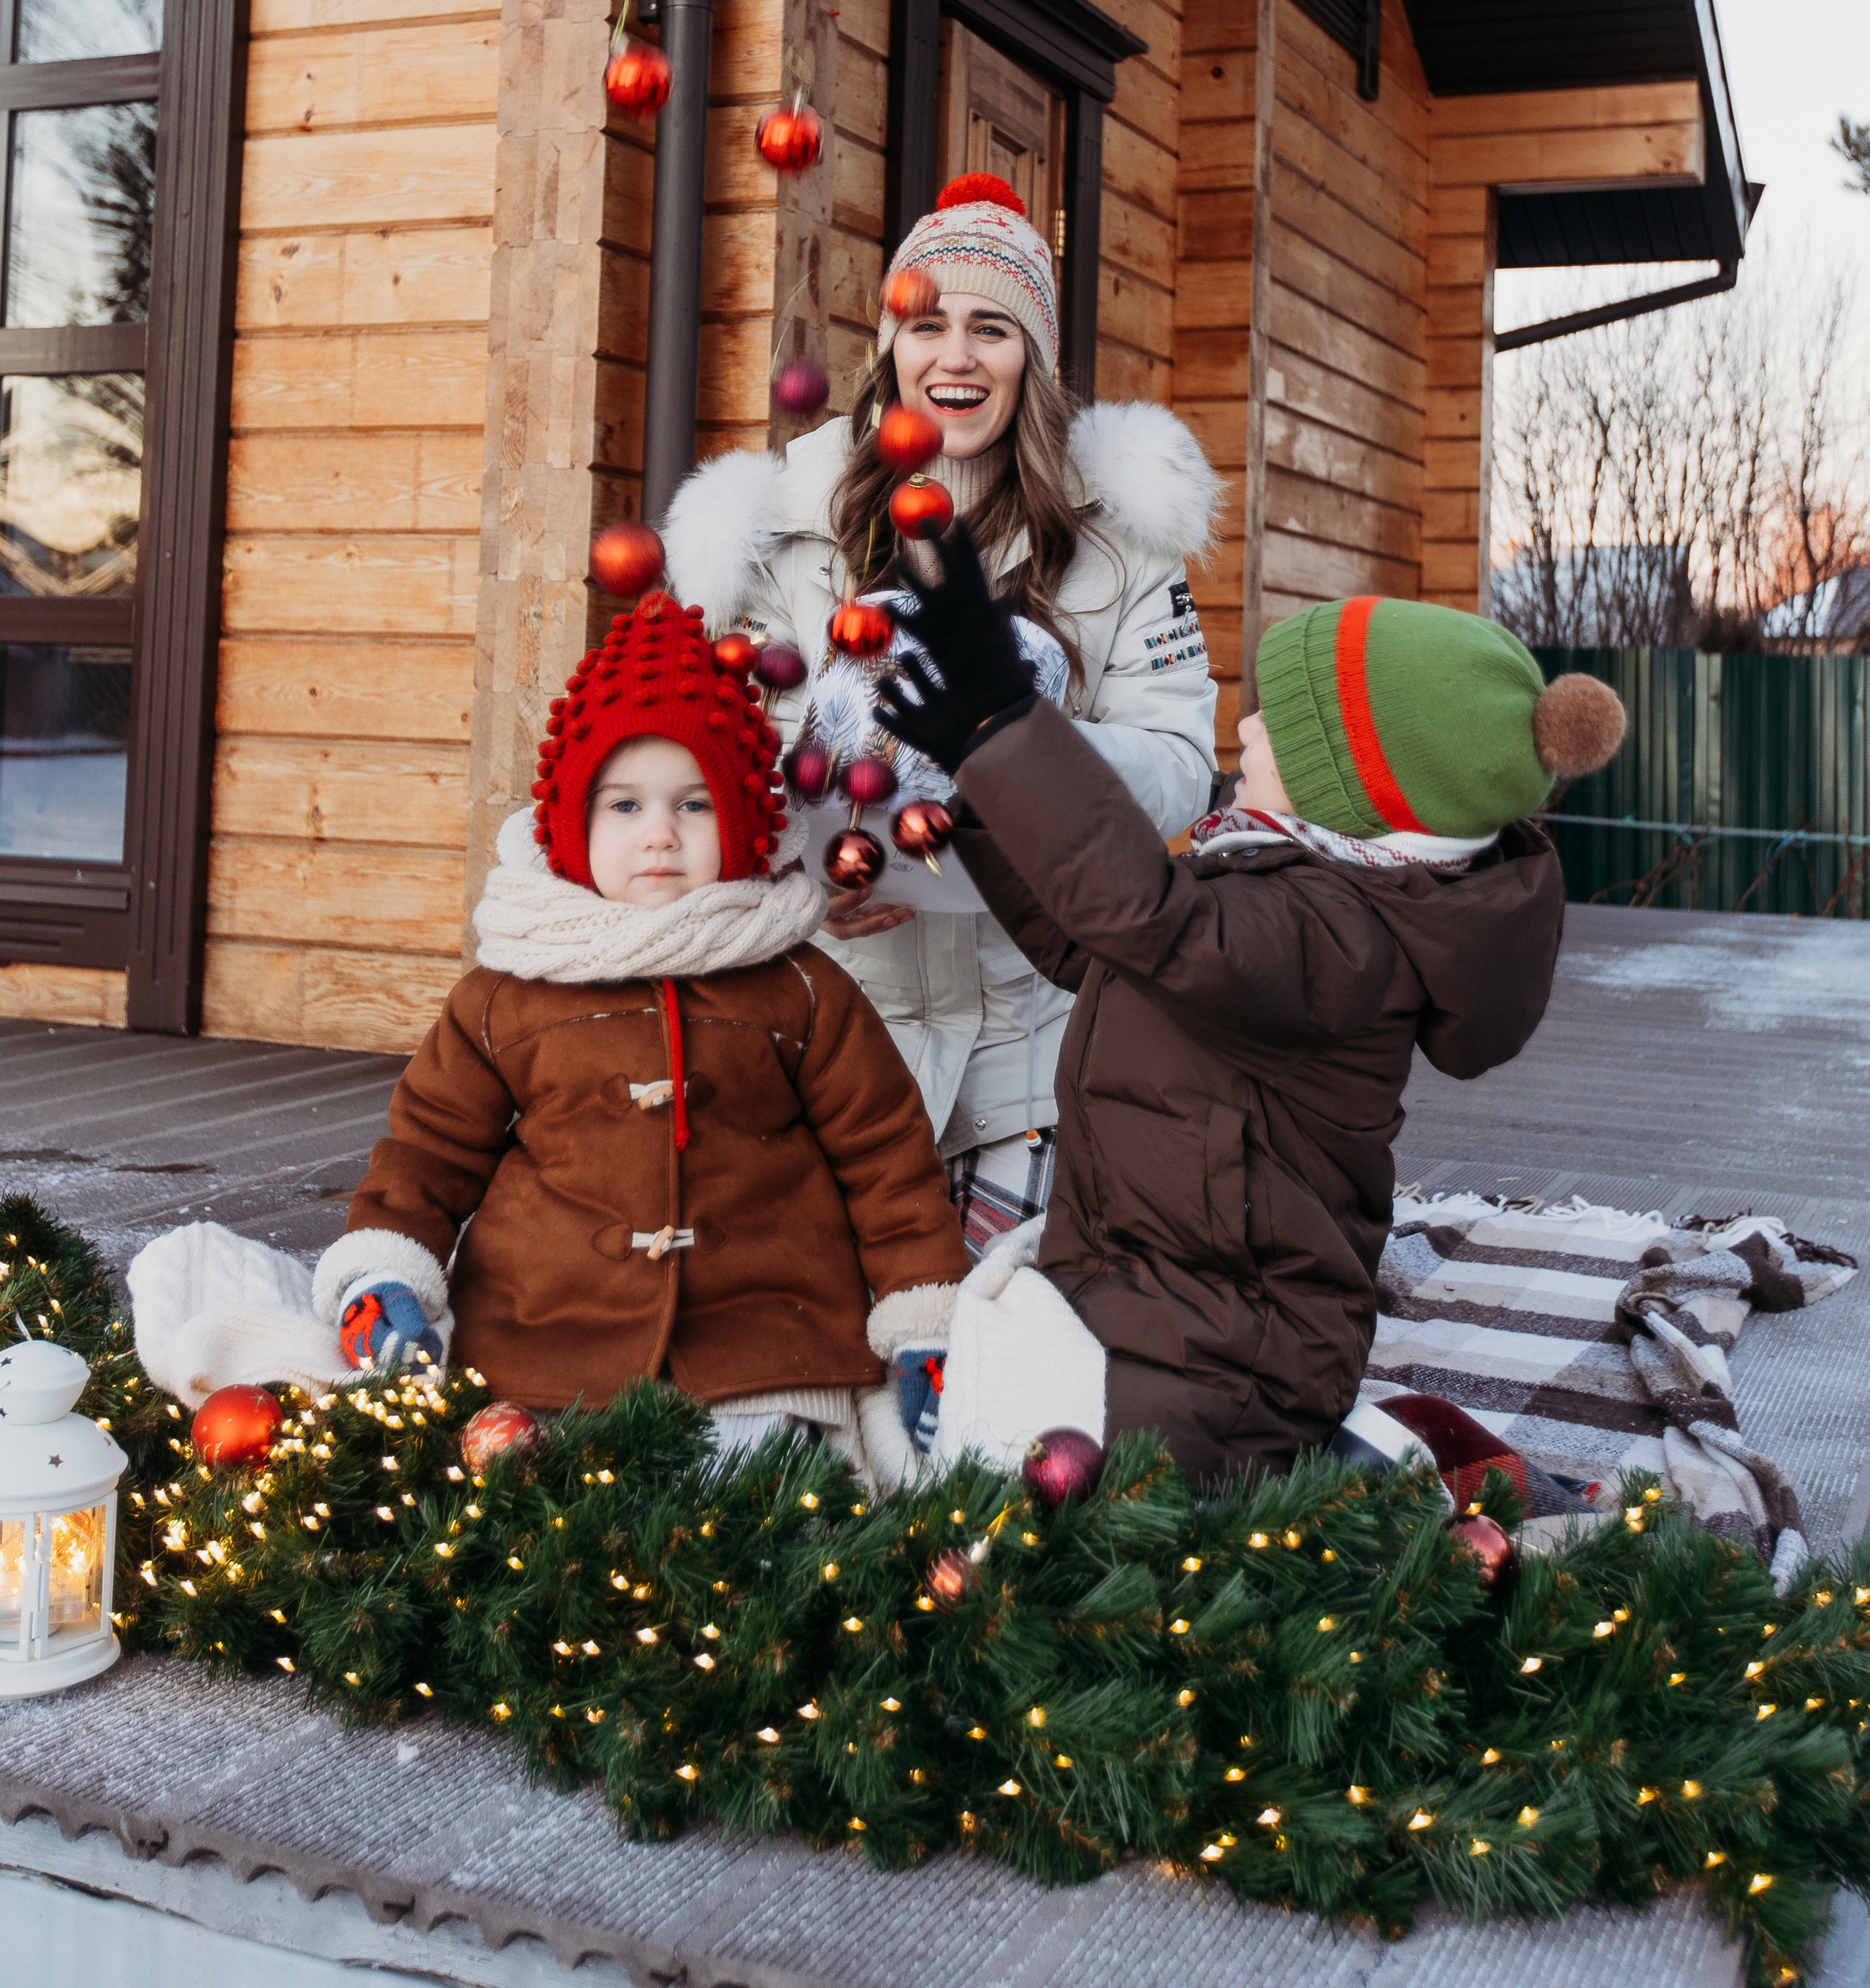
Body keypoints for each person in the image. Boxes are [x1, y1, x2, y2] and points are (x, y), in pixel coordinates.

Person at [877, 535, 1628, 1480]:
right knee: (962, 1399)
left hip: (1233, 1351)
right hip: (1148, 1293)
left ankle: (1339, 1476)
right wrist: (984, 794)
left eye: (1280, 724)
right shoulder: (1283, 877)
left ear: (1344, 788)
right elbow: (1098, 944)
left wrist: (1007, 727)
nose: (1250, 727)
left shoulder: (1340, 937)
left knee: (997, 1464)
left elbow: (1149, 918)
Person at [664, 172, 1219, 1255]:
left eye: (991, 329)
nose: (955, 357)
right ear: (891, 348)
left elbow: (1179, 766)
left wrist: (1011, 746)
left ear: (1033, 361)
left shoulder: (1120, 544)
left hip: (1036, 1049)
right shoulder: (782, 532)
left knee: (1011, 1334)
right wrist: (798, 874)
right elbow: (709, 761)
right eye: (928, 325)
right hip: (830, 1030)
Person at [314, 592, 969, 1486]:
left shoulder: (801, 988)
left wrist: (922, 1319)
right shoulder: (509, 993)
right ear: (571, 823)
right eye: (624, 806)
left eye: (693, 805)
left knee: (752, 1499)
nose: (659, 834)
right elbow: (428, 1153)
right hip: (548, 1342)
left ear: (743, 820)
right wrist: (385, 1273)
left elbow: (887, 1162)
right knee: (544, 1502)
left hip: (762, 1345)